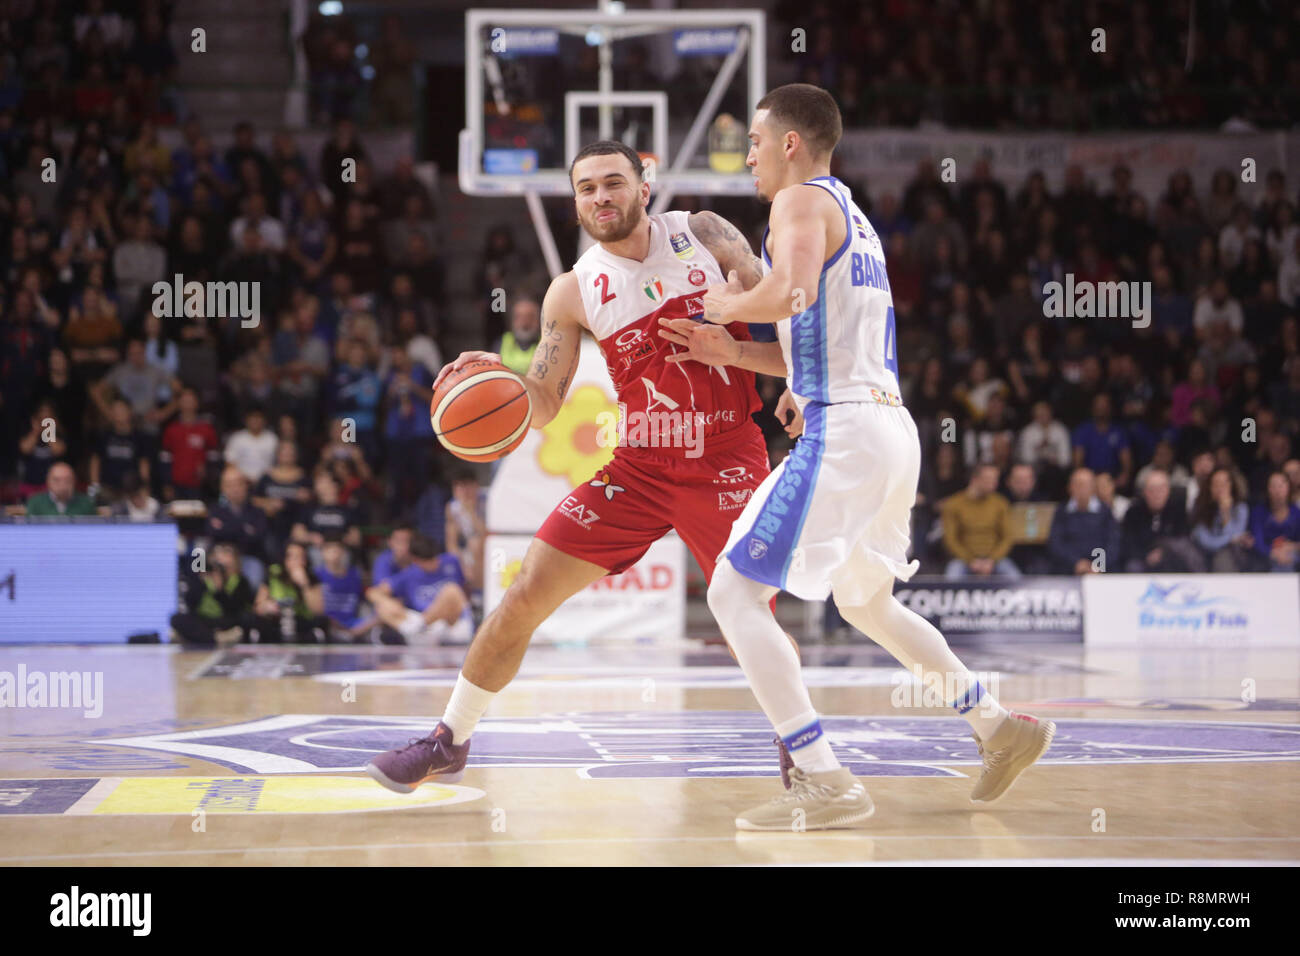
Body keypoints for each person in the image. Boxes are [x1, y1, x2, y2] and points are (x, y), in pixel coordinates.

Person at [672, 85, 1051, 828]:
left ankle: (824, 780)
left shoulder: (798, 204)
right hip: (887, 429)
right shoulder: (853, 215)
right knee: (865, 601)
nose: (746, 155)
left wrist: (725, 306)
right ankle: (998, 727)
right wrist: (741, 354)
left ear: (790, 143)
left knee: (731, 593)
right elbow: (814, 330)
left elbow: (792, 291)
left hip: (846, 433)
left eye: (754, 140)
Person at [366, 139, 783, 795]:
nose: (600, 197)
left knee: (746, 609)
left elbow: (787, 319)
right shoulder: (572, 291)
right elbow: (544, 404)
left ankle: (799, 747)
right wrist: (493, 378)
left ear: (643, 186)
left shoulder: (705, 233)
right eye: (586, 188)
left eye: (613, 183)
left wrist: (785, 376)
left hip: (725, 451)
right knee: (523, 594)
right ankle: (448, 739)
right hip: (640, 466)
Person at [366, 533, 473, 646]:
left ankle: (418, 628)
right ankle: (416, 630)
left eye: (434, 559)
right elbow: (373, 593)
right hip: (423, 626)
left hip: (450, 623)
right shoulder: (409, 574)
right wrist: (391, 603)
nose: (434, 564)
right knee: (382, 607)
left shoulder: (451, 561)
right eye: (428, 562)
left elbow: (467, 585)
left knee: (452, 590)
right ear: (416, 560)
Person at [940, 464, 1020, 578]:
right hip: (964, 560)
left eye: (995, 479)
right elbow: (950, 540)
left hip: (995, 560)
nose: (994, 484)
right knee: (952, 576)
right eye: (989, 479)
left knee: (1014, 577)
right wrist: (970, 560)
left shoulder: (1000, 503)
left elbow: (1007, 537)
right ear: (975, 479)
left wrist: (992, 560)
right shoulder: (953, 504)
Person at [1120, 469, 1204, 572]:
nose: (1156, 494)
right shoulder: (1133, 513)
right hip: (1143, 559)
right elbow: (1128, 542)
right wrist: (1146, 555)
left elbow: (1183, 540)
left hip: (1172, 559)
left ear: (1168, 490)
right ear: (1144, 492)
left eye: (1160, 489)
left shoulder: (1178, 510)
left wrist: (1163, 552)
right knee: (1132, 566)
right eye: (1152, 490)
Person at [1046, 468, 1122, 574]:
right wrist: (1076, 563)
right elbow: (1056, 543)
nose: (1081, 489)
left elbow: (1113, 543)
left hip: (1102, 569)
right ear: (1070, 487)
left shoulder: (1105, 511)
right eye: (1077, 484)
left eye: (1085, 485)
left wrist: (1098, 565)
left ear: (1093, 488)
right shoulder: (1062, 511)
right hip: (1068, 568)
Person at [1190, 467, 1254, 572]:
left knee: (1225, 556)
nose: (1220, 488)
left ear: (1231, 486)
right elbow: (1206, 541)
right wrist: (1229, 539)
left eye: (1224, 484)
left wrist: (1225, 514)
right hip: (1204, 553)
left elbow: (1237, 542)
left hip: (1233, 556)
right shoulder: (1200, 507)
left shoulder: (1240, 508)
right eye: (1216, 484)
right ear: (1209, 487)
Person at [1251, 471, 1300, 571]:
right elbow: (1257, 541)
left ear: (1289, 488)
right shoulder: (1259, 512)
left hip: (1291, 553)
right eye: (1273, 486)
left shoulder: (1297, 512)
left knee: (1289, 557)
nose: (1278, 490)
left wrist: (1291, 547)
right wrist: (1273, 553)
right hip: (1264, 555)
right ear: (1268, 489)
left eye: (1281, 485)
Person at [25, 461, 97, 516]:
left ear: (74, 481)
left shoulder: (86, 503)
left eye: (67, 480)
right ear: (48, 481)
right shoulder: (35, 503)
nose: (62, 484)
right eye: (57, 480)